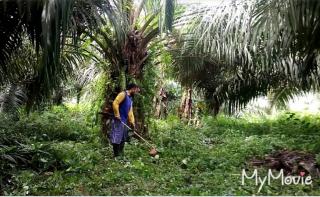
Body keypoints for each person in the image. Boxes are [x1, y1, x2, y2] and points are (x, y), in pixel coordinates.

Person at [109, 83, 140, 158]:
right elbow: (115, 103)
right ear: (132, 88)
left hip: (124, 121)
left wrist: (132, 122)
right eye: (136, 89)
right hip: (118, 120)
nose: (136, 91)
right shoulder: (123, 94)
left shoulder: (130, 99)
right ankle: (116, 155)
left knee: (123, 137)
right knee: (117, 137)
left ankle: (121, 154)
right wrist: (117, 114)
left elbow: (130, 112)